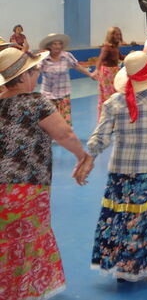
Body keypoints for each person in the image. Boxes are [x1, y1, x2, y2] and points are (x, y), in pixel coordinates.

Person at [0, 47, 92, 300]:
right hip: (27, 187)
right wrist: (82, 157)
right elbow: (65, 134)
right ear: (23, 76)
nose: (38, 73)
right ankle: (22, 292)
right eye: (34, 70)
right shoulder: (35, 102)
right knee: (27, 241)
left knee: (5, 241)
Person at [83, 52, 147, 282]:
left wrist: (88, 157)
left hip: (121, 172)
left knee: (123, 216)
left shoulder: (113, 102)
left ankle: (124, 267)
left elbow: (100, 137)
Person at [39, 33, 97, 126]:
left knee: (65, 123)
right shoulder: (44, 58)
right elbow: (36, 70)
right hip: (48, 95)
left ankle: (65, 138)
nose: (58, 46)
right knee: (49, 122)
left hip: (63, 95)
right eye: (54, 44)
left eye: (59, 44)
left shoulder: (66, 56)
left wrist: (90, 74)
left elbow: (76, 66)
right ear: (49, 46)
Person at [95, 26, 124, 118]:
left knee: (115, 91)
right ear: (111, 36)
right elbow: (100, 59)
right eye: (116, 34)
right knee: (109, 93)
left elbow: (120, 57)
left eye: (119, 34)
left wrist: (132, 56)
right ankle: (108, 115)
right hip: (107, 72)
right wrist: (97, 70)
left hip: (114, 71)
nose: (118, 36)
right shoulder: (107, 47)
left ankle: (114, 113)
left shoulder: (115, 47)